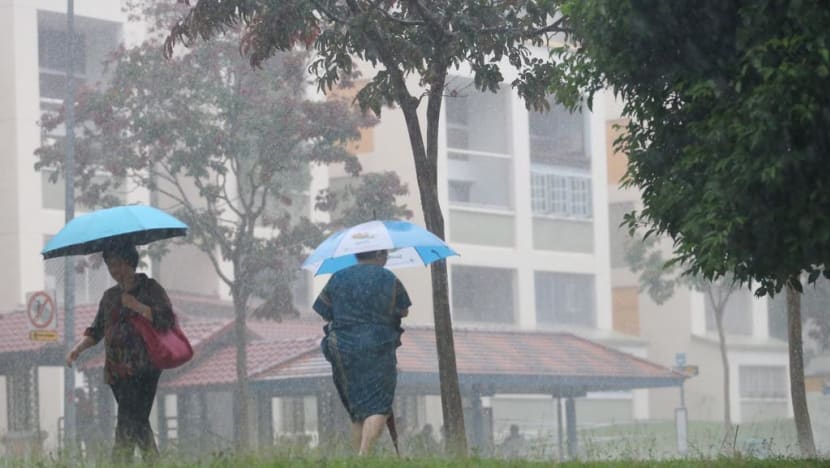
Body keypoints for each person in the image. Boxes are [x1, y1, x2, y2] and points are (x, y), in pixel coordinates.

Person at [65, 243, 174, 463]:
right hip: (117, 371)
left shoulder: (150, 289)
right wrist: (77, 349)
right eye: (109, 266)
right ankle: (153, 462)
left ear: (129, 263)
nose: (113, 271)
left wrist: (138, 306)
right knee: (138, 421)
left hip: (145, 368)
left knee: (127, 421)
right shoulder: (110, 296)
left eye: (116, 265)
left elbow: (167, 320)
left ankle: (119, 462)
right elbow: (97, 330)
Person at [313, 249, 411, 455]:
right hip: (378, 345)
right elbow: (403, 310)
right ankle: (363, 457)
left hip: (342, 348)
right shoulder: (388, 278)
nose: (386, 259)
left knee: (358, 410)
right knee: (380, 405)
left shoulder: (338, 277)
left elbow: (324, 312)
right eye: (385, 255)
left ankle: (359, 460)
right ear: (378, 254)